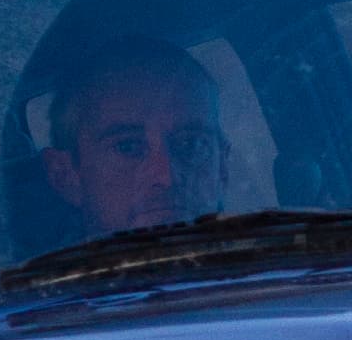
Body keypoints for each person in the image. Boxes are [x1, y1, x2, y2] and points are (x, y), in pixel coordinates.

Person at [37, 33, 227, 242]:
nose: (166, 177)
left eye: (192, 144)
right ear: (64, 176)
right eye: (128, 147)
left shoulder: (265, 256)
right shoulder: (26, 274)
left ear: (223, 165)